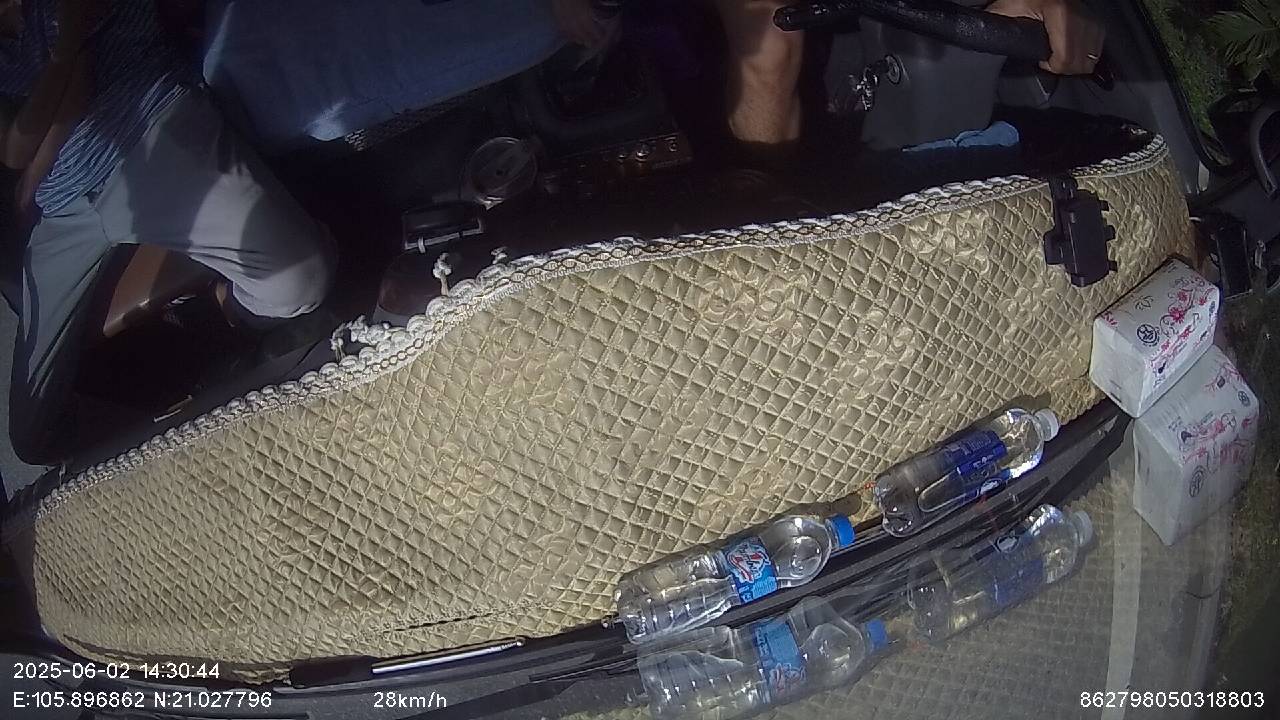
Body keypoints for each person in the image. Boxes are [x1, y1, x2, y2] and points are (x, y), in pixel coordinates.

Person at [1, 0, 336, 463]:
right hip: (61, 207)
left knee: (301, 280)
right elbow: (16, 146)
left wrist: (29, 173)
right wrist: (30, 183)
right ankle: (182, 438)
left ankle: (229, 317)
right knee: (31, 439)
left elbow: (75, 92)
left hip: (145, 127)